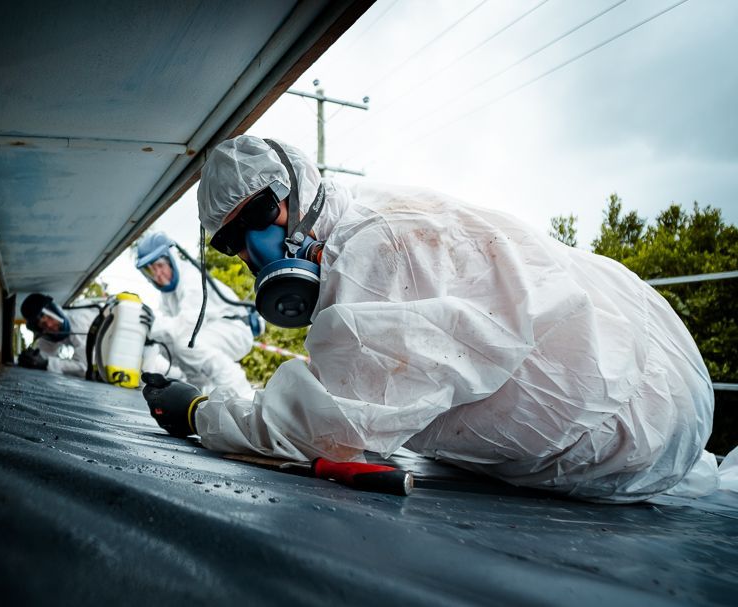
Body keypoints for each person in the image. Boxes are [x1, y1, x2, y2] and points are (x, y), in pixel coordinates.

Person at [142, 134, 717, 503]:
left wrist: (199, 413)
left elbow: (329, 427)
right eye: (232, 238)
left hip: (641, 425)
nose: (256, 244)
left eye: (264, 211)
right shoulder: (362, 224)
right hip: (646, 369)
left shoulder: (371, 251)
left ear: (300, 183)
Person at [134, 232, 255, 396]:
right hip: (213, 329)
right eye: (150, 271)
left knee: (187, 344)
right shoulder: (167, 296)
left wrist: (153, 325)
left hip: (235, 329)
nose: (157, 275)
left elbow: (188, 325)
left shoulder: (191, 279)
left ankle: (243, 396)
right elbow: (167, 335)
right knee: (168, 346)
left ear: (170, 259)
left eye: (159, 266)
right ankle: (201, 395)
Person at [20, 292, 175, 382]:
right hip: (121, 366)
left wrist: (46, 363)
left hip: (143, 357)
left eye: (48, 318)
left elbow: (83, 367)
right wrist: (32, 359)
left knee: (171, 378)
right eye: (42, 325)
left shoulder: (79, 321)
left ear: (54, 310)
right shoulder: (51, 334)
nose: (50, 326)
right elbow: (42, 356)